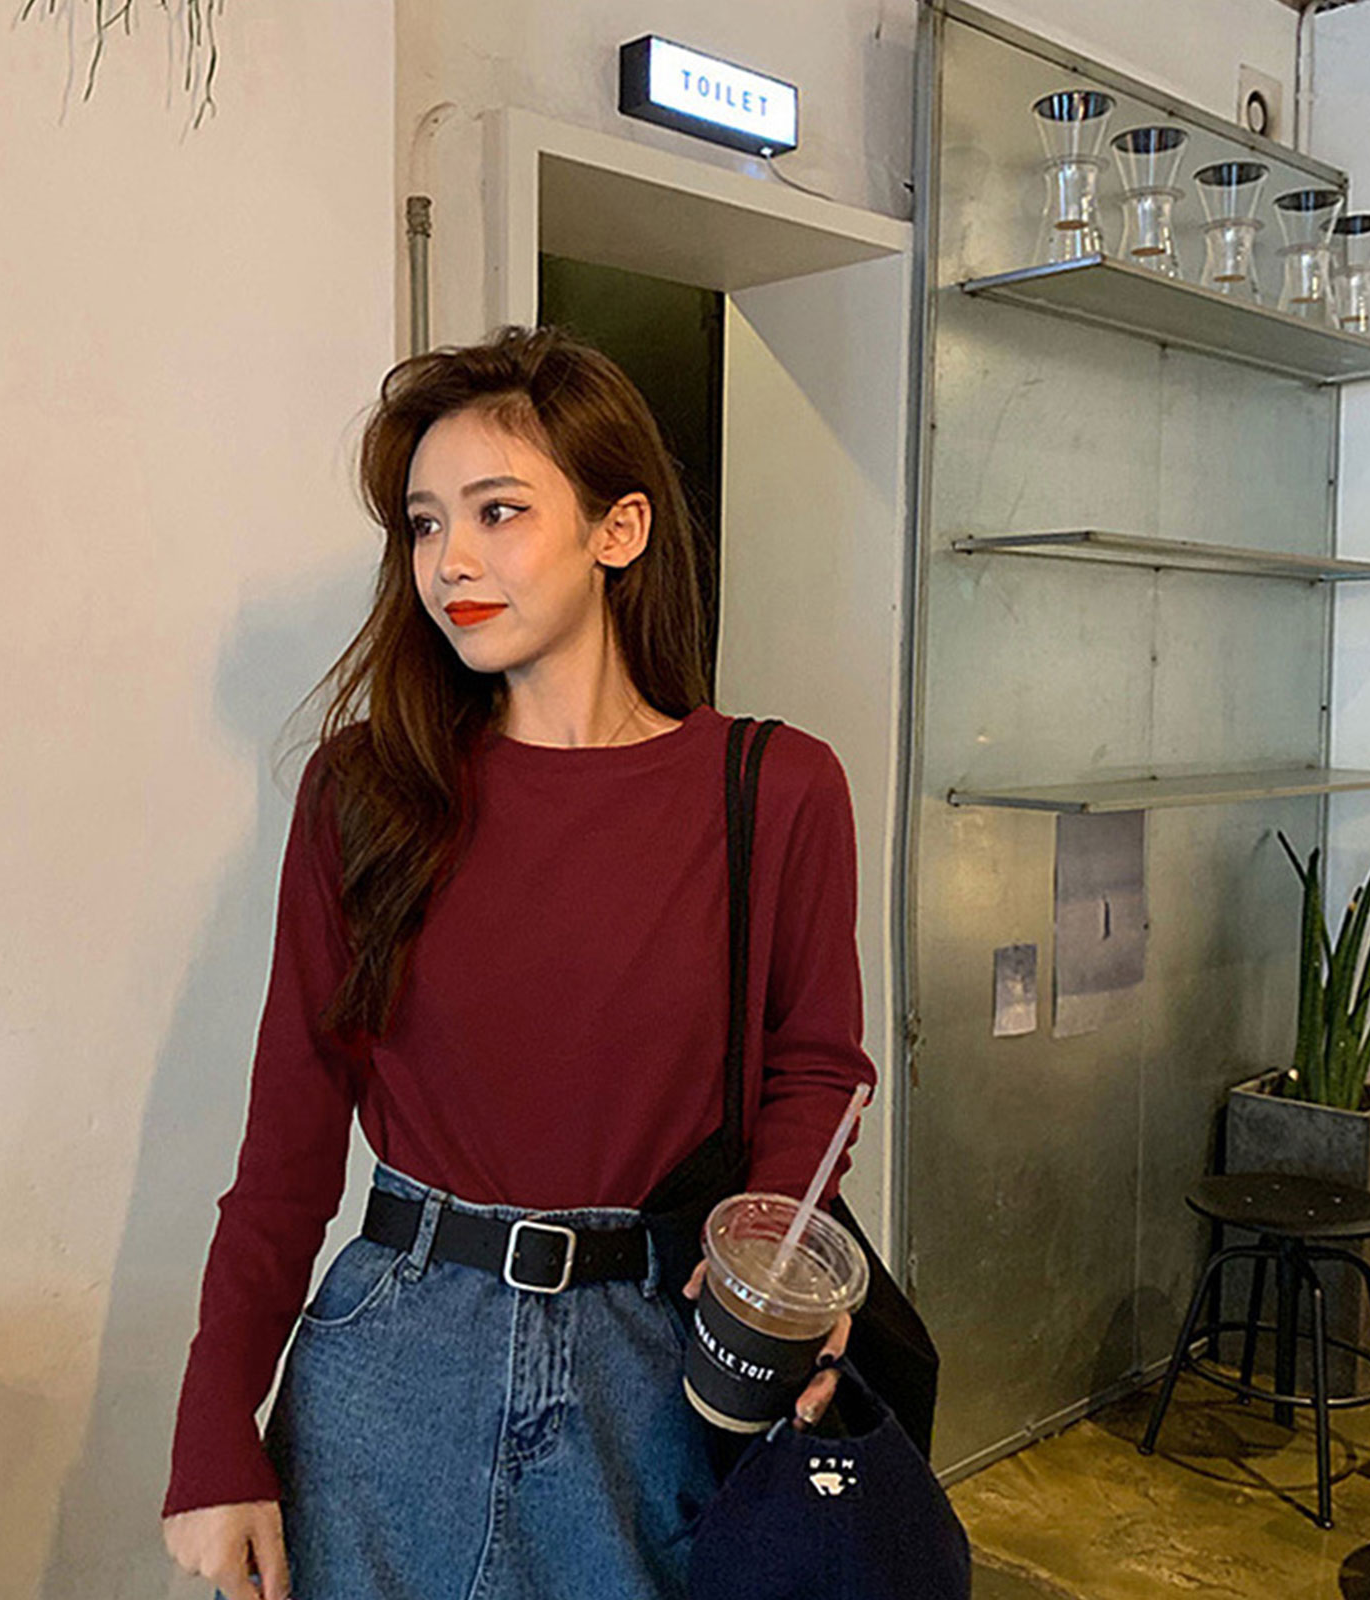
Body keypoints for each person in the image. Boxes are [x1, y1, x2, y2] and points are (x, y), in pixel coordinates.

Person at [160, 323, 878, 1600]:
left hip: (653, 1362)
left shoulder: (775, 787)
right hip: (394, 1358)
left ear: (619, 529)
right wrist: (214, 1431)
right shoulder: (366, 790)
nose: (450, 562)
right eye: (425, 524)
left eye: (499, 511)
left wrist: (767, 1269)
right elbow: (287, 1139)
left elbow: (817, 1069)